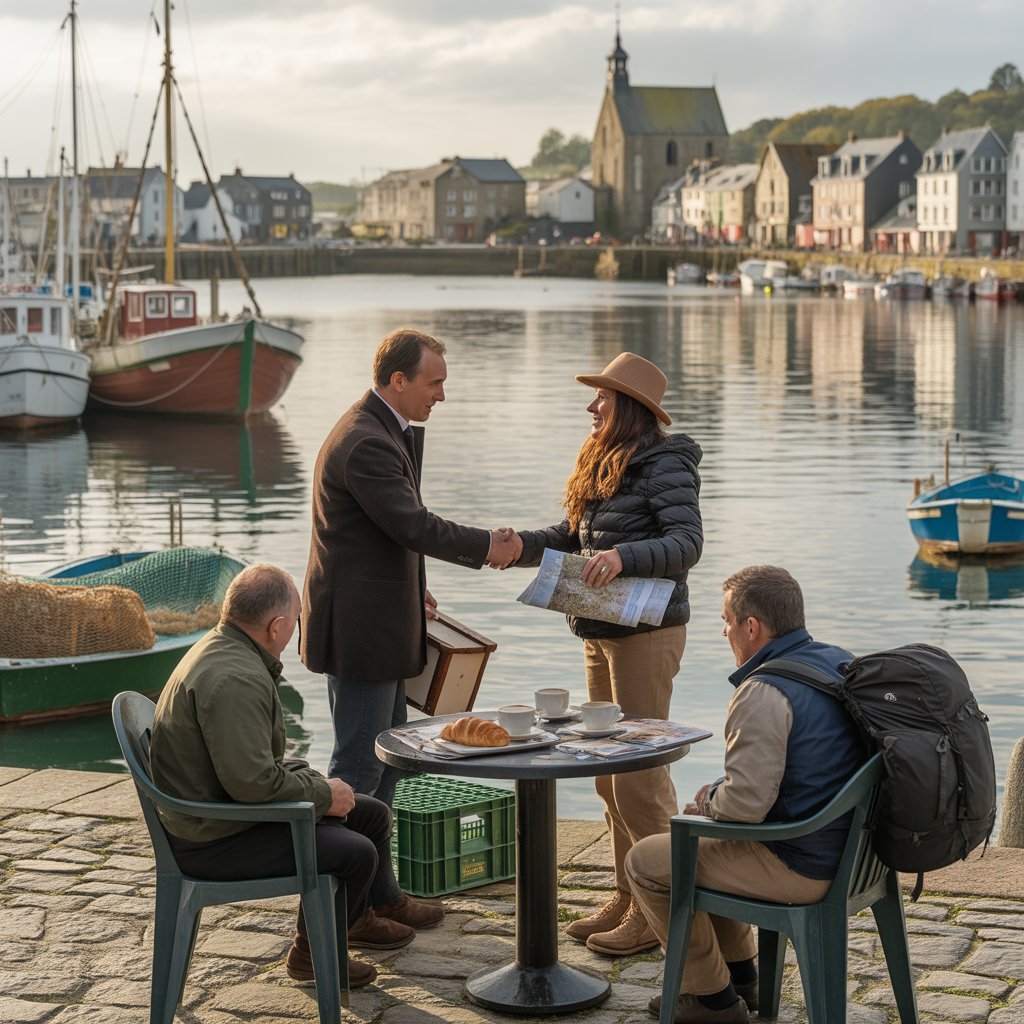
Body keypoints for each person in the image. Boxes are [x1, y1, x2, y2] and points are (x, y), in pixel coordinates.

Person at [300, 326, 520, 933]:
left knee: (393, 763)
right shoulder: (367, 442)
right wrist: (489, 547)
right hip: (362, 635)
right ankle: (330, 917)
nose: (441, 395)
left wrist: (412, 580)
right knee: (358, 771)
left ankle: (380, 896)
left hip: (380, 622)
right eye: (434, 382)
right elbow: (413, 523)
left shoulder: (381, 429)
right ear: (398, 380)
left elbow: (386, 533)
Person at [512, 351, 703, 956]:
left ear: (629, 409)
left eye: (602, 397)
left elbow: (686, 542)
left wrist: (624, 558)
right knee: (606, 776)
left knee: (641, 778)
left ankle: (660, 906)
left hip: (646, 634)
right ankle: (627, 892)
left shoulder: (666, 462)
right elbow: (573, 538)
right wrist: (517, 545)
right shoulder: (603, 460)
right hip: (600, 628)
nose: (591, 405)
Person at [625, 565, 867, 1024]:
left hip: (805, 865)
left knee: (649, 861)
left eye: (726, 621)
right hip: (857, 854)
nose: (724, 631)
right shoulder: (840, 660)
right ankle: (741, 979)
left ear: (751, 627)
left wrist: (708, 801)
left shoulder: (764, 690)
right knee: (708, 847)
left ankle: (709, 1002)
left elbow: (746, 805)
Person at [149, 564, 408, 991]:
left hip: (220, 810)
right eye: (299, 619)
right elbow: (251, 785)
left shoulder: (227, 649)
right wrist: (323, 796)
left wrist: (319, 788)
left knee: (371, 814)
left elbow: (251, 766)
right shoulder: (236, 678)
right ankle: (310, 956)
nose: (297, 628)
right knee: (356, 851)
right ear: (277, 625)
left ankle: (354, 922)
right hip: (213, 837)